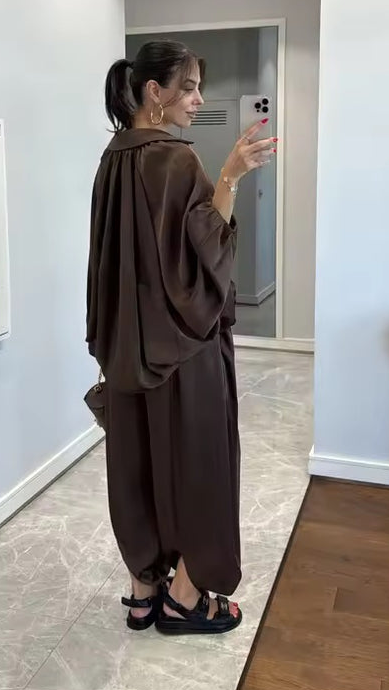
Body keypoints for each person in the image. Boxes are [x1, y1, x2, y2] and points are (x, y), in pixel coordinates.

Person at [86, 40, 277, 635]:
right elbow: (207, 251)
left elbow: (109, 263)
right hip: (183, 350)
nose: (197, 100)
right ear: (155, 92)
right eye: (189, 87)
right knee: (201, 464)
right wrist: (231, 176)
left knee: (135, 464)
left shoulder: (112, 159)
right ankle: (186, 596)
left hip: (127, 347)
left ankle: (144, 590)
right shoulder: (175, 160)